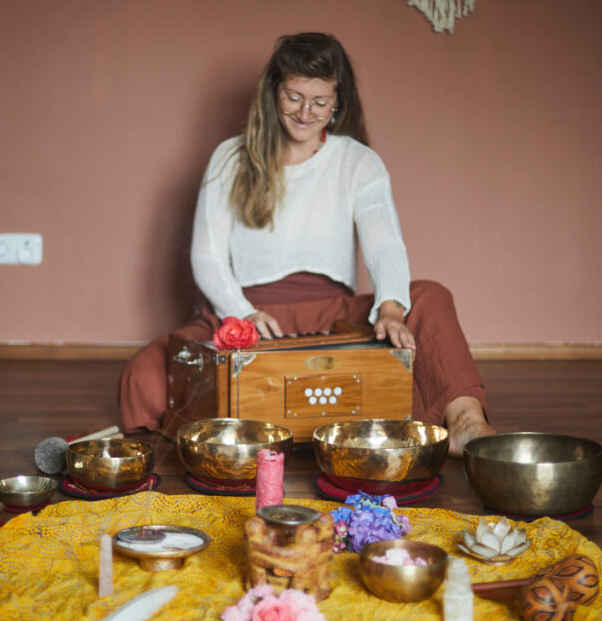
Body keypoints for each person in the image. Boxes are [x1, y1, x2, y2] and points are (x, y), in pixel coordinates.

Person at [119, 32, 495, 457]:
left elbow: (384, 242)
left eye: (320, 101)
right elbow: (205, 255)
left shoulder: (358, 161)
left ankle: (466, 423)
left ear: (339, 102)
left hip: (328, 317)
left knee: (431, 296)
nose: (305, 113)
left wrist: (391, 308)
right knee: (147, 371)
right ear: (273, 92)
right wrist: (241, 313)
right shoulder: (230, 157)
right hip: (246, 317)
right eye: (294, 97)